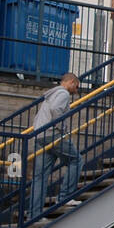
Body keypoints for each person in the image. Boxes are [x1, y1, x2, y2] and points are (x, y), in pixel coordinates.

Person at [28, 72, 82, 218]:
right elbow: (55, 110)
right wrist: (61, 128)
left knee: (40, 176)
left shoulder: (51, 94)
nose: (76, 91)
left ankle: (34, 214)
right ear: (70, 82)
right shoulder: (63, 94)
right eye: (76, 87)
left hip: (40, 135)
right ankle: (65, 197)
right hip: (53, 134)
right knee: (76, 159)